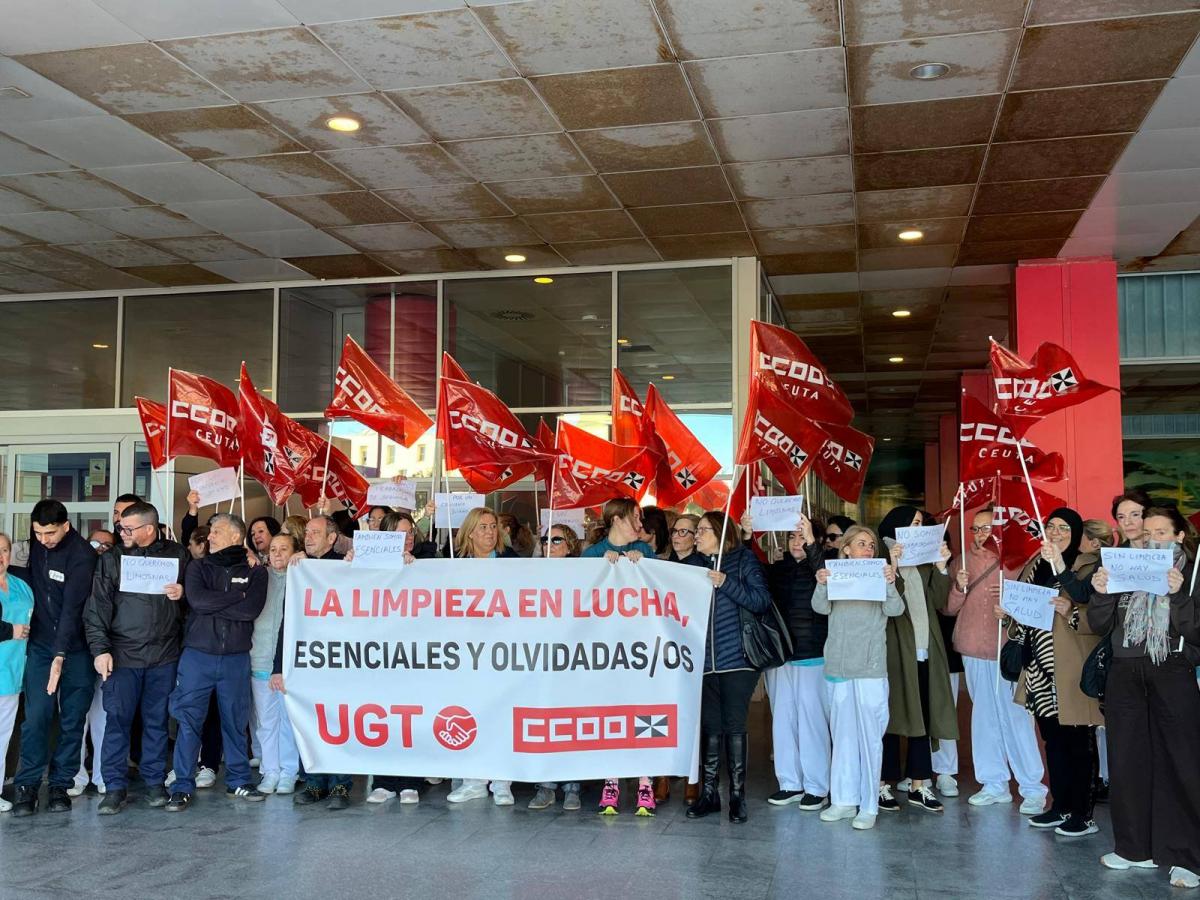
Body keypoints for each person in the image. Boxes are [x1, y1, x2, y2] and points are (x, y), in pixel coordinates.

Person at [1090, 506, 1200, 888]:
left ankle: (1187, 856)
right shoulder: (1127, 568)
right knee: (1126, 759)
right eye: (1149, 532)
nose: (1154, 538)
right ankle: (1134, 847)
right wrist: (1101, 592)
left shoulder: (1193, 571)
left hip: (1171, 669)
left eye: (1163, 532)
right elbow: (1099, 624)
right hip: (1125, 670)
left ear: (1179, 537)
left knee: (1180, 762)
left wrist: (1179, 593)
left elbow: (1196, 631)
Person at [83, 501, 188, 815]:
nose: (122, 532)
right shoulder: (112, 559)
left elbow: (195, 602)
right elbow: (97, 608)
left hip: (164, 655)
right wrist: (100, 650)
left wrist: (183, 595)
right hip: (122, 655)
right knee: (118, 722)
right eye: (120, 527)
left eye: (128, 529)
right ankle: (114, 787)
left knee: (156, 723)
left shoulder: (177, 555)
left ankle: (155, 782)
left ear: (149, 529)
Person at [1007, 507, 1103, 838]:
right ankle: (1061, 805)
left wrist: (1071, 610)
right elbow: (1023, 605)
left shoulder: (1090, 565)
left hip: (1072, 668)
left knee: (1079, 741)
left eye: (1064, 527)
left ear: (1076, 533)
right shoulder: (1036, 563)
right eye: (1051, 526)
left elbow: (1098, 615)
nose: (1057, 532)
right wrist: (1008, 611)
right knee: (1054, 741)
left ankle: (1084, 814)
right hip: (1039, 668)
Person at [947, 507, 1048, 814]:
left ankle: (1032, 787)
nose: (981, 534)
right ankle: (993, 783)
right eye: (976, 528)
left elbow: (1036, 605)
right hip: (973, 646)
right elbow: (950, 609)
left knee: (1016, 716)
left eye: (987, 528)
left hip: (1008, 649)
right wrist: (959, 586)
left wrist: (1011, 603)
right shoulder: (961, 560)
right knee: (984, 717)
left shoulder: (1019, 558)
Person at [165, 513, 268, 812]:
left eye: (218, 532)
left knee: (235, 723)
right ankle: (182, 785)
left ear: (236, 537)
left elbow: (250, 611)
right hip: (198, 657)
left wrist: (225, 600)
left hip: (236, 658)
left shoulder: (256, 573)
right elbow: (199, 603)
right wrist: (238, 594)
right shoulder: (197, 567)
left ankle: (237, 780)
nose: (210, 537)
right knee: (188, 722)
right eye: (211, 533)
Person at [10, 500, 99, 817]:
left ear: (66, 526)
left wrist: (60, 655)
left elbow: (72, 610)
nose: (44, 539)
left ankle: (60, 783)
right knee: (36, 718)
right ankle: (27, 784)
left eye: (50, 533)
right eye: (38, 533)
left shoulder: (82, 556)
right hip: (41, 647)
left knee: (73, 719)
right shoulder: (35, 544)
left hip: (76, 650)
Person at [812, 525, 904, 831]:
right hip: (838, 666)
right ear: (846, 549)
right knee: (843, 736)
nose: (868, 549)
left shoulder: (878, 576)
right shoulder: (835, 574)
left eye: (871, 545)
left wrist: (890, 582)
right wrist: (822, 583)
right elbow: (820, 607)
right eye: (861, 544)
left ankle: (868, 805)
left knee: (869, 737)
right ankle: (843, 799)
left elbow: (895, 608)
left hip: (869, 668)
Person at [684, 510, 772, 824]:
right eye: (696, 530)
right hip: (703, 663)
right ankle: (709, 794)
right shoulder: (691, 566)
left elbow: (761, 601)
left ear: (722, 534)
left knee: (734, 725)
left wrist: (726, 583)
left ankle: (737, 795)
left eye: (703, 529)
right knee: (710, 727)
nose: (697, 535)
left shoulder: (742, 561)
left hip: (738, 661)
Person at [877, 506, 956, 814]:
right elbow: (886, 603)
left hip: (925, 648)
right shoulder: (878, 559)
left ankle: (919, 783)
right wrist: (893, 565)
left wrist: (941, 567)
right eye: (911, 523)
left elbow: (939, 601)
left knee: (924, 715)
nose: (917, 528)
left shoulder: (924, 562)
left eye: (921, 524)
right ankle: (883, 783)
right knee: (892, 717)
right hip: (893, 651)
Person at [581, 498, 658, 815]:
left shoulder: (647, 552)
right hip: (605, 652)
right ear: (615, 520)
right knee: (609, 713)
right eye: (633, 518)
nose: (638, 525)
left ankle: (645, 783)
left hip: (639, 652)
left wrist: (643, 566)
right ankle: (610, 782)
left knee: (643, 713)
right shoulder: (592, 555)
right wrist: (602, 569)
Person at [445, 508, 519, 807]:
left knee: (502, 715)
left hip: (503, 652)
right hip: (467, 654)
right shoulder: (453, 564)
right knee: (470, 713)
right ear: (470, 533)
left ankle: (502, 782)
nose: (490, 532)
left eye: (494, 527)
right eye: (484, 527)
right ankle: (474, 781)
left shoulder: (511, 561)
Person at [758, 513, 830, 811]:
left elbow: (825, 576)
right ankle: (789, 783)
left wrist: (814, 547)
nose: (797, 542)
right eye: (793, 536)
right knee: (783, 722)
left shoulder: (826, 565)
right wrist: (750, 536)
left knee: (812, 722)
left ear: (818, 540)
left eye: (803, 535)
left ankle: (817, 787)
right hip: (781, 657)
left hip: (813, 655)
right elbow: (753, 573)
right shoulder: (779, 568)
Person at [364, 512, 431, 806]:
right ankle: (383, 781)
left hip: (414, 656)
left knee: (410, 719)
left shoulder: (427, 562)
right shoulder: (370, 564)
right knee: (384, 718)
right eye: (402, 533)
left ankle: (410, 780)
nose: (409, 539)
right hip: (381, 655)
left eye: (411, 533)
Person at [528, 524, 584, 812]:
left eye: (557, 539)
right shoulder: (530, 573)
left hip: (574, 661)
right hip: (541, 661)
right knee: (545, 721)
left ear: (571, 546)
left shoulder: (587, 574)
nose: (550, 543)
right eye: (546, 539)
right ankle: (546, 786)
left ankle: (572, 787)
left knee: (570, 722)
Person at [251, 533, 301, 797]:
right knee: (266, 722)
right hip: (259, 659)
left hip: (290, 664)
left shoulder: (302, 577)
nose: (278, 554)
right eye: (273, 549)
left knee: (288, 722)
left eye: (284, 549)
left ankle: (289, 772)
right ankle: (270, 771)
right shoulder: (260, 578)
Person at [0, 533, 33, 814]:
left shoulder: (21, 586)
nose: (0, 556)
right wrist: (11, 630)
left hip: (12, 671)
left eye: (4, 550)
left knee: (2, 736)